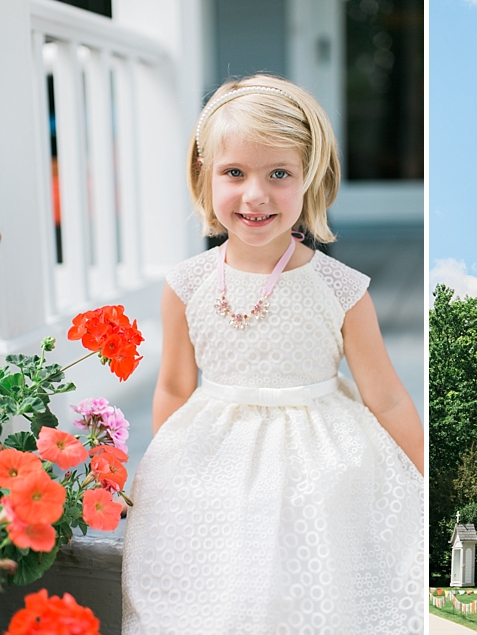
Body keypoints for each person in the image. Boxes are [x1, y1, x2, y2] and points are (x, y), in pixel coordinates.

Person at [120, 75, 425, 634]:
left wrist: (424, 484)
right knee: (206, 595)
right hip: (214, 460)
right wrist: (161, 474)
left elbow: (386, 397)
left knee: (306, 593)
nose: (254, 195)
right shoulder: (187, 284)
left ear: (308, 179)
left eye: (278, 174)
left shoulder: (341, 290)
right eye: (234, 173)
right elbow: (173, 388)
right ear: (204, 177)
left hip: (315, 466)